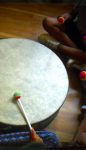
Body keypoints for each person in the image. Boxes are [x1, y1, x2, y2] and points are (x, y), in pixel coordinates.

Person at [38, 0, 86, 146]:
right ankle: (75, 54)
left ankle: (60, 48)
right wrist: (66, 16)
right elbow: (73, 12)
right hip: (77, 34)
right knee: (48, 22)